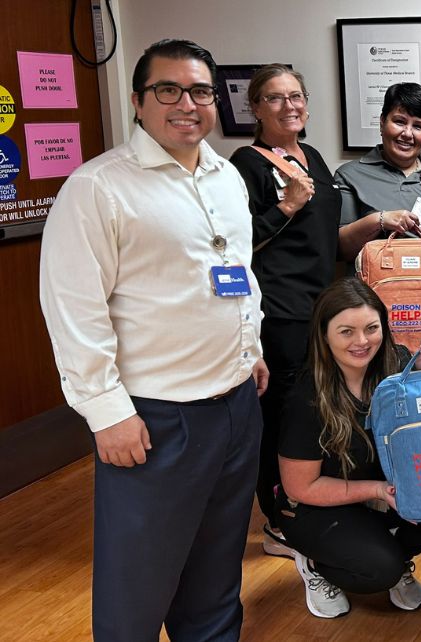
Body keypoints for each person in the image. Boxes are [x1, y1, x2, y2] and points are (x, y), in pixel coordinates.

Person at [39, 39, 268, 640]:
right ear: (138, 101)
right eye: (168, 90)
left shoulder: (226, 176)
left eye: (199, 91)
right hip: (155, 419)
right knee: (137, 588)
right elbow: (72, 308)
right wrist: (105, 411)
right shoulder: (98, 188)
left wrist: (253, 350)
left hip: (236, 406)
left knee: (217, 577)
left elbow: (239, 275)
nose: (185, 103)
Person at [276, 278, 421, 618]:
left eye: (371, 328)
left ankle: (384, 551)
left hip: (377, 495)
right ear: (324, 335)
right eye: (346, 331)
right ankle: (316, 565)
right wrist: (378, 489)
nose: (362, 341)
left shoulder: (398, 362)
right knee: (381, 569)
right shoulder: (306, 398)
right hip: (315, 505)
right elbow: (299, 487)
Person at [229, 63, 339, 560]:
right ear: (255, 108)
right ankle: (276, 517)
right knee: (282, 414)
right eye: (274, 98)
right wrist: (287, 206)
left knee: (313, 411)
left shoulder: (312, 156)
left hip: (319, 307)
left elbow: (324, 240)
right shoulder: (246, 163)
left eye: (295, 96)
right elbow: (238, 243)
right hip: (279, 308)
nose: (288, 105)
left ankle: (307, 501)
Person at [336, 82, 421, 262]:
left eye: (418, 126)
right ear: (382, 122)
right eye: (399, 122)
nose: (407, 133)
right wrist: (379, 220)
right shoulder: (349, 175)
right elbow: (342, 249)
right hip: (375, 288)